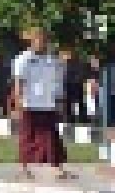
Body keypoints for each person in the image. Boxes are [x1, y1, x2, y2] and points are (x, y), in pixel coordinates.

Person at [9, 29, 71, 181]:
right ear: (33, 41)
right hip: (29, 104)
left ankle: (57, 168)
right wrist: (17, 105)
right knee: (27, 137)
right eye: (40, 40)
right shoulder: (23, 59)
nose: (43, 43)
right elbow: (18, 83)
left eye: (45, 40)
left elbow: (56, 82)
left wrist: (59, 100)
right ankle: (24, 168)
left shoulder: (51, 60)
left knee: (52, 138)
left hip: (48, 104)